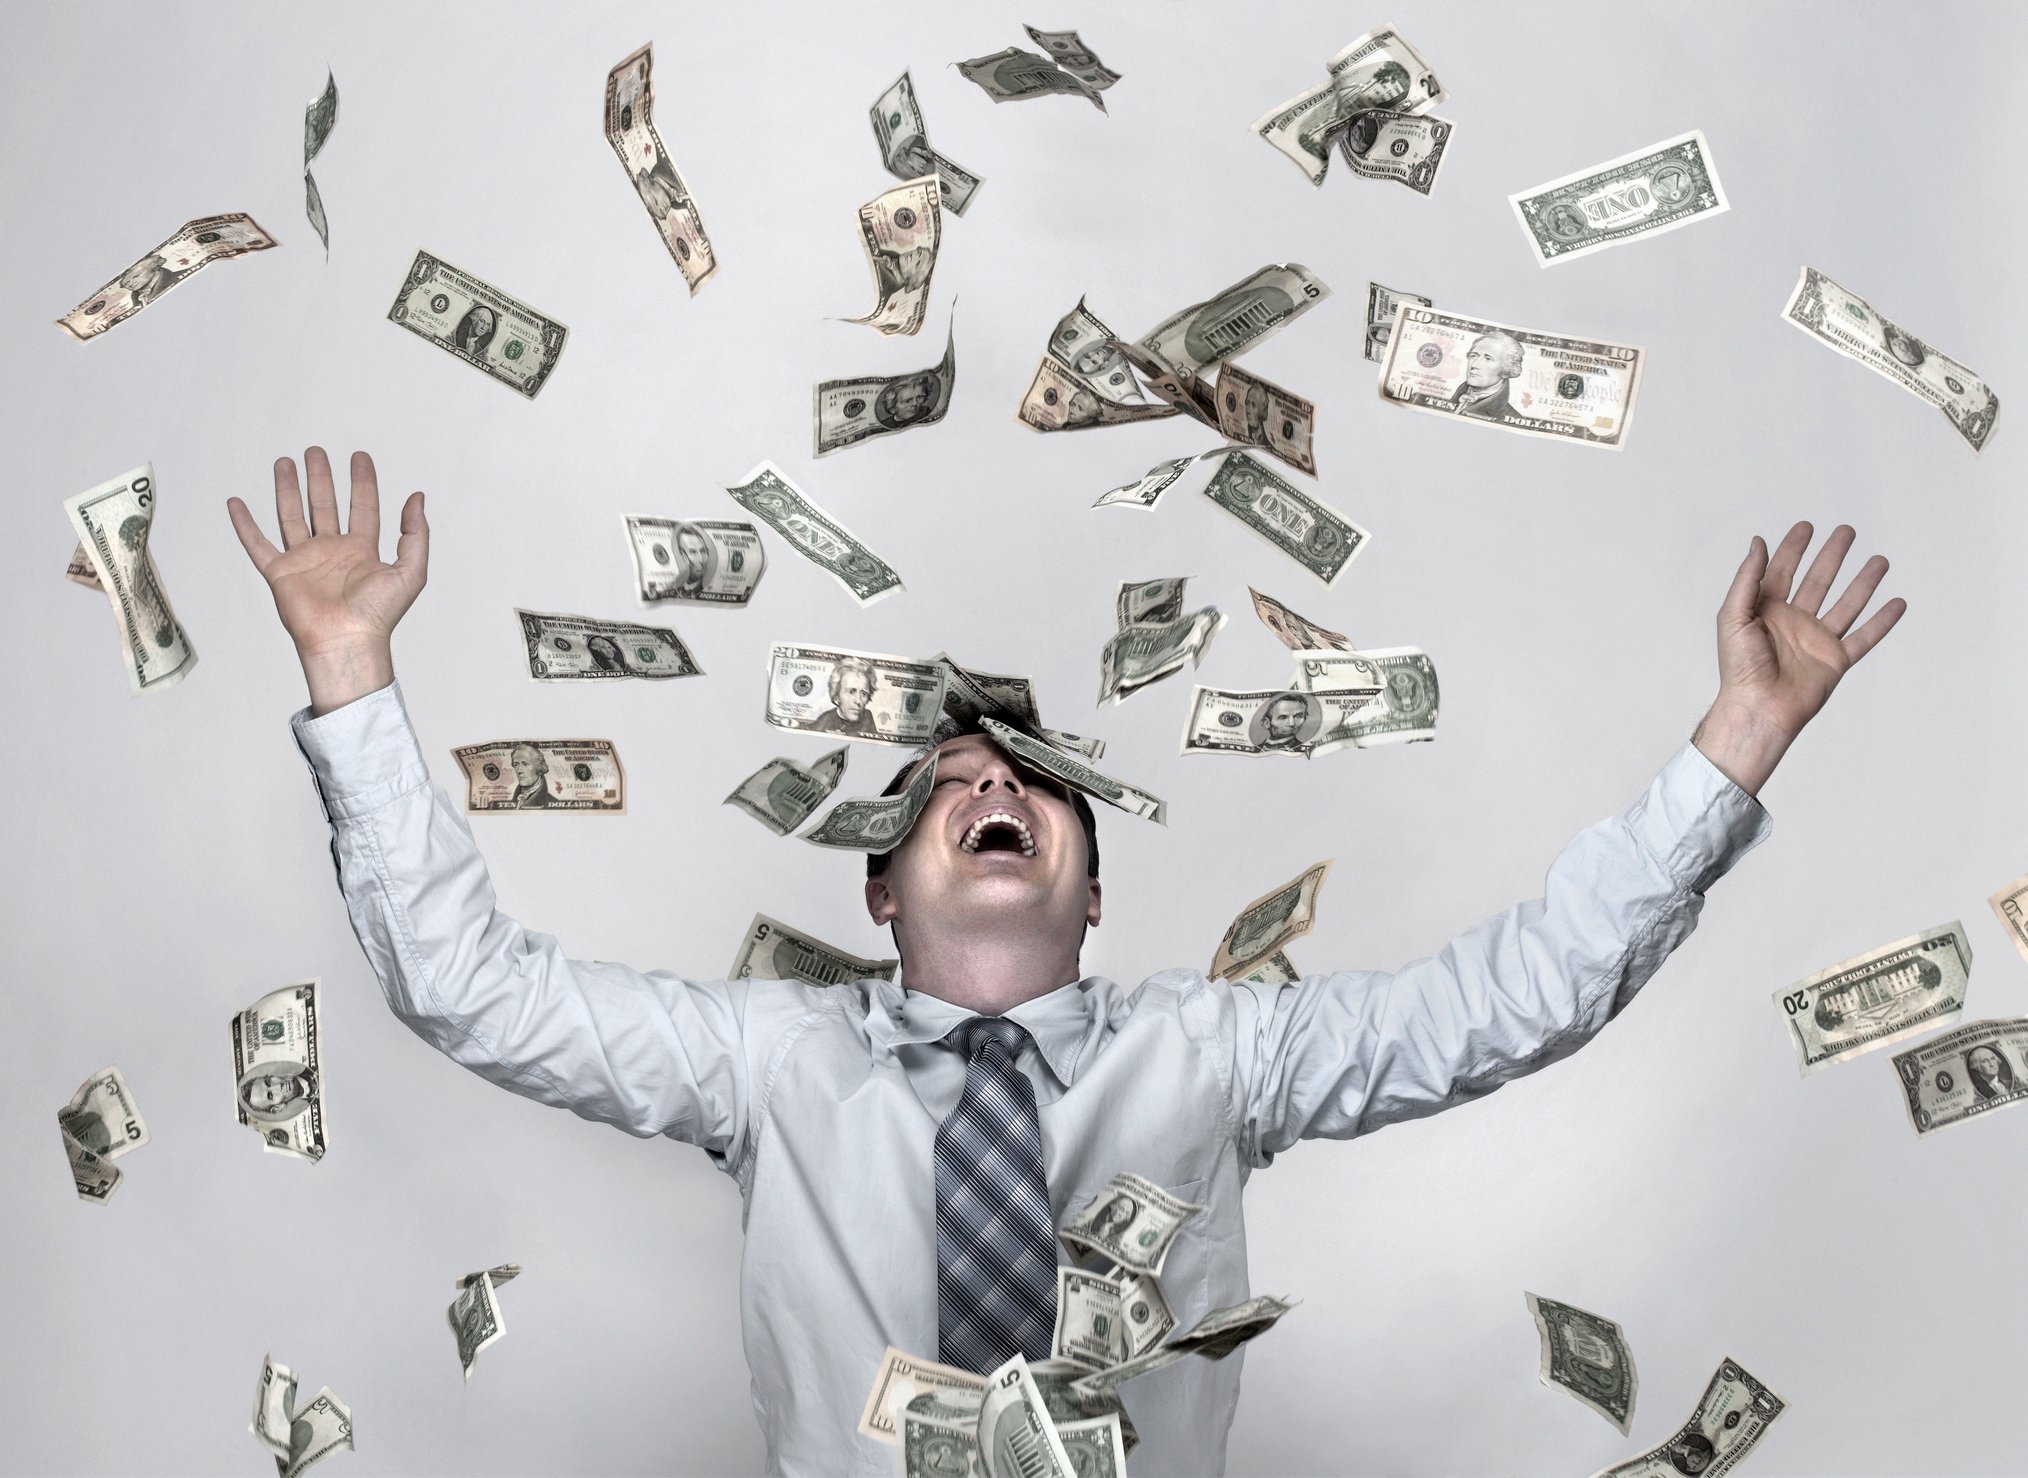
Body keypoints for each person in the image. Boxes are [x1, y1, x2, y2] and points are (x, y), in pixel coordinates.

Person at [227, 448, 1905, 1476]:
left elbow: (1512, 993)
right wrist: (352, 674)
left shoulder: (1211, 1053)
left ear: (1089, 891)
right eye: (950, 788)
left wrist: (1737, 736)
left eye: (1028, 787)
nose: (992, 789)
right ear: (881, 894)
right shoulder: (766, 1058)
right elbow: (472, 985)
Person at [1450, 331, 1524, 420]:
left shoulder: (1511, 418)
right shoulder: (1458, 396)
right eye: (1474, 356)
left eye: (1488, 359)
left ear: (1506, 369)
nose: (1475, 365)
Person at [809, 657, 881, 739]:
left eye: (863, 694)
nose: (858, 701)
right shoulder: (824, 722)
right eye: (851, 692)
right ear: (836, 696)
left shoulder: (867, 717)